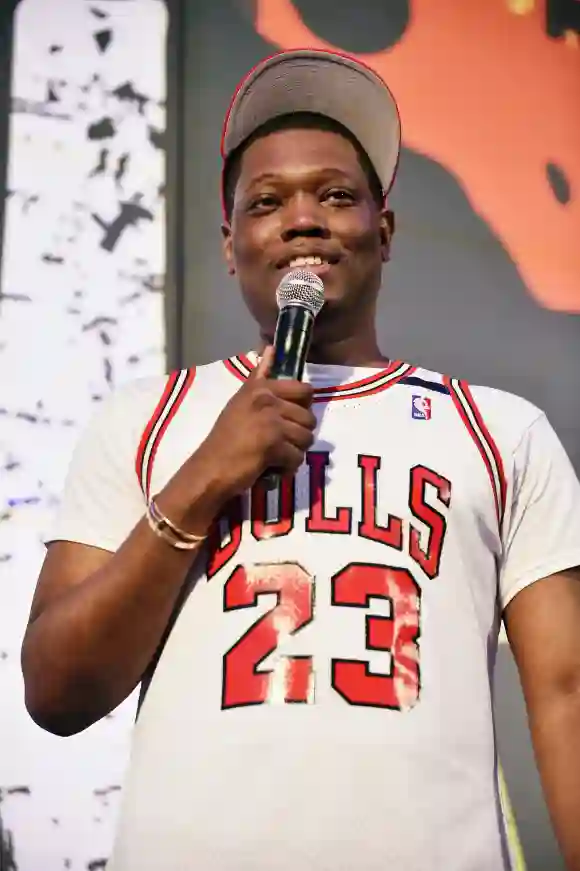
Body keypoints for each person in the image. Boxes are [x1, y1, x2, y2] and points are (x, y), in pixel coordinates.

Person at [21, 49, 580, 871]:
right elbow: (57, 691)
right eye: (268, 201)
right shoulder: (146, 419)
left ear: (382, 233)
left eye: (338, 195)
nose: (304, 218)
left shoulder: (501, 431)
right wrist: (206, 475)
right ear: (231, 244)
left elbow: (566, 695)